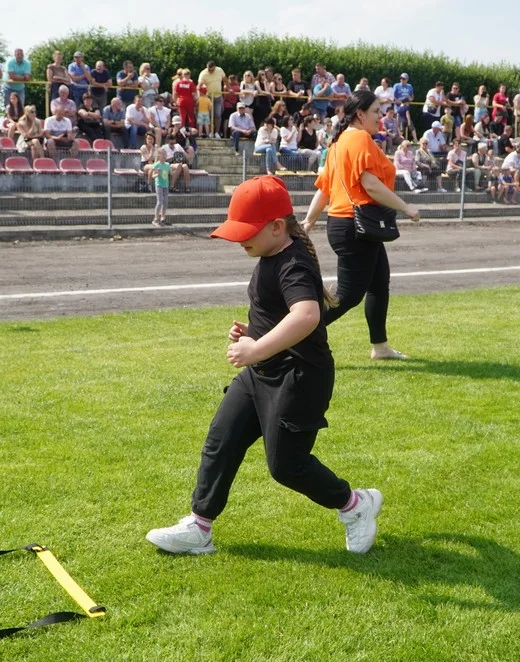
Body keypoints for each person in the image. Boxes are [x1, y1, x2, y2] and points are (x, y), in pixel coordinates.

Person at [146, 176, 383, 555]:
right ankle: (199, 527)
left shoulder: (294, 263)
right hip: (261, 374)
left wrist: (255, 349)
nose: (240, 239)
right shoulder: (269, 253)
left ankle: (355, 505)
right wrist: (252, 330)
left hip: (299, 379)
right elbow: (281, 314)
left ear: (277, 227)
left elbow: (306, 316)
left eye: (248, 231)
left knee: (287, 466)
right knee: (221, 441)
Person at [302, 91, 420, 360]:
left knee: (378, 285)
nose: (381, 116)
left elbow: (324, 190)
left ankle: (380, 347)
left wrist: (309, 221)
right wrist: (405, 207)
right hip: (354, 227)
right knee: (348, 295)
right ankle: (294, 335)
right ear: (360, 114)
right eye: (377, 111)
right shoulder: (360, 138)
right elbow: (370, 184)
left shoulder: (338, 143)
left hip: (350, 225)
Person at [150, 148, 170, 226]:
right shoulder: (157, 164)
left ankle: (163, 218)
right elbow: (152, 175)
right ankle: (155, 219)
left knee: (165, 202)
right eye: (163, 154)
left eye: (165, 154)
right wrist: (157, 174)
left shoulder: (167, 165)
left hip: (166, 185)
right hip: (159, 184)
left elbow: (171, 173)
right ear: (159, 155)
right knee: (159, 201)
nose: (164, 155)